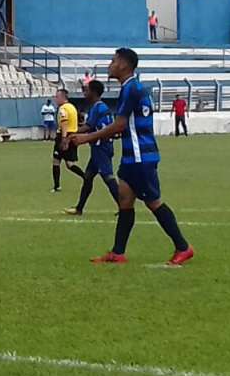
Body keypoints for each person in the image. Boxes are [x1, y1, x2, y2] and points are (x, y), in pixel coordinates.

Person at [71, 48, 194, 266]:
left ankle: (183, 247)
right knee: (125, 202)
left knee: (154, 202)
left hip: (140, 157)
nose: (110, 64)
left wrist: (86, 137)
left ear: (124, 65)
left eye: (113, 60)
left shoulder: (130, 89)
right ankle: (118, 253)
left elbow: (120, 124)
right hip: (131, 156)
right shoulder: (134, 88)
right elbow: (126, 126)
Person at [65, 79, 119, 216]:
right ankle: (79, 208)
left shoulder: (98, 108)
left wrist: (72, 134)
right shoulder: (101, 107)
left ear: (94, 92)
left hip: (101, 148)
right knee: (88, 177)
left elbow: (89, 126)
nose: (84, 92)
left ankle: (124, 207)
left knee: (108, 177)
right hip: (98, 148)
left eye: (86, 90)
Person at [52, 88, 86, 192]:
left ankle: (57, 186)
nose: (55, 99)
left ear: (63, 97)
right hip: (72, 135)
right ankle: (85, 178)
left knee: (59, 162)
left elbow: (65, 123)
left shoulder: (63, 109)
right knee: (65, 162)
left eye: (57, 97)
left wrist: (63, 139)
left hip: (65, 136)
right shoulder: (72, 107)